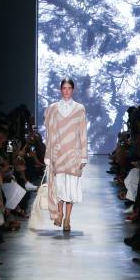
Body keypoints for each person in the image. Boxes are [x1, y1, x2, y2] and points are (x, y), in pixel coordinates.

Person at [44, 77, 88, 232]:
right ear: (60, 90)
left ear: (73, 90)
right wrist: (48, 156)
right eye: (64, 88)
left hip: (73, 153)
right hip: (58, 152)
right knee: (59, 186)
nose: (67, 91)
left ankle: (68, 218)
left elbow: (82, 133)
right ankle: (60, 212)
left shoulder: (79, 108)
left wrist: (84, 155)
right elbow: (50, 134)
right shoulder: (53, 108)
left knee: (71, 188)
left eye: (69, 88)